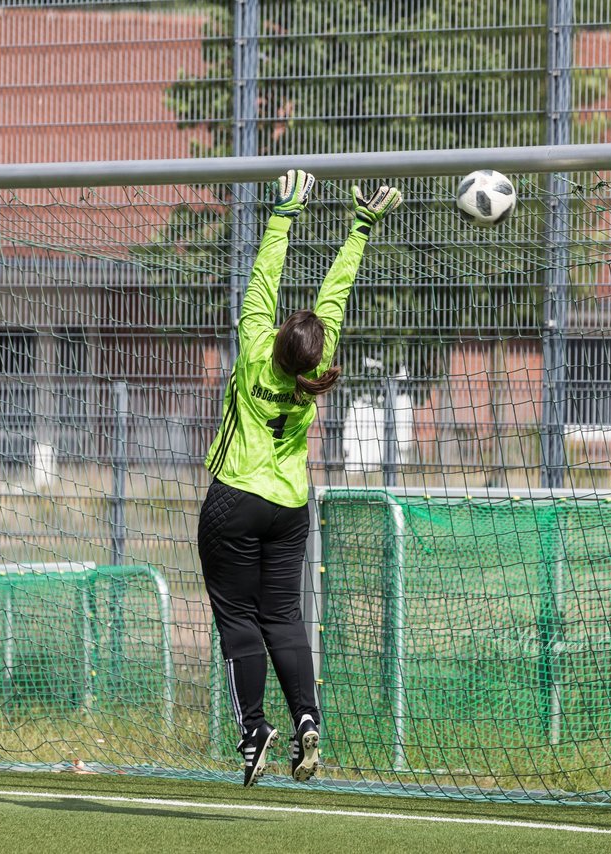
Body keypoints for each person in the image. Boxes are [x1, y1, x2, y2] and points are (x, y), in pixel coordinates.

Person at [197, 169, 403, 786]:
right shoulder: (316, 371)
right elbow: (334, 295)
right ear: (316, 354)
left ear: (280, 337)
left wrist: (286, 208)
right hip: (289, 509)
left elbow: (265, 276)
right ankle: (307, 719)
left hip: (235, 501)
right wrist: (361, 225)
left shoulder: (256, 349)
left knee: (238, 619)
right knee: (284, 616)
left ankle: (254, 727)